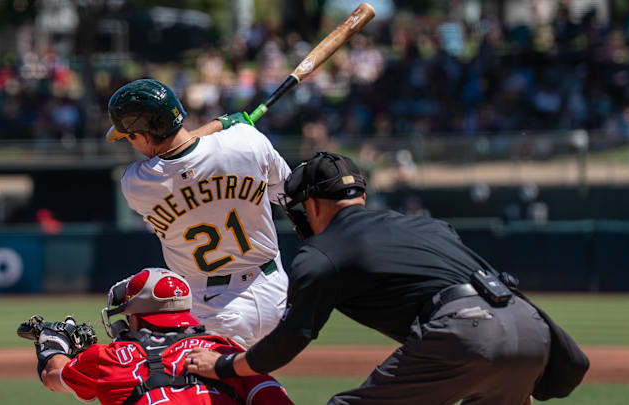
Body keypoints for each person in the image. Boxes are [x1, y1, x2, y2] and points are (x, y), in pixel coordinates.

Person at [186, 152, 558, 405]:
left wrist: (223, 365)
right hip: (533, 328)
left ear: (312, 205)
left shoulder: (320, 254)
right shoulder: (429, 227)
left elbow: (288, 340)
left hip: (465, 333)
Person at [105, 79, 291, 347]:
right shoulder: (247, 141)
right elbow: (285, 191)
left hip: (213, 310)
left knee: (199, 386)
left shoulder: (136, 184)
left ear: (144, 135)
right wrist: (231, 128)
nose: (131, 144)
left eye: (130, 137)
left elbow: (178, 160)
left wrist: (222, 125)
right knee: (260, 386)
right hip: (277, 294)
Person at [35, 267, 294, 405]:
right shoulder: (225, 354)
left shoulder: (109, 359)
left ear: (136, 317)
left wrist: (52, 343)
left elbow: (53, 377)